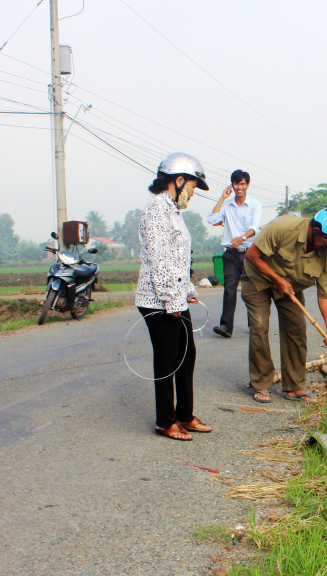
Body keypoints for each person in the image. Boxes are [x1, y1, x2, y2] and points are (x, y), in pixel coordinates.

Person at [136, 152, 213, 441]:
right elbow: (159, 259)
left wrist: (188, 290)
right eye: (192, 188)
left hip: (174, 298)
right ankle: (165, 421)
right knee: (168, 359)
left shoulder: (172, 211)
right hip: (157, 300)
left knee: (186, 355)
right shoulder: (157, 209)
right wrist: (170, 299)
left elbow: (178, 259)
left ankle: (185, 415)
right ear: (179, 181)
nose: (191, 195)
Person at [242, 207, 327, 403]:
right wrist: (276, 278)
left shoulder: (326, 252)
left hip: (289, 287)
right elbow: (252, 255)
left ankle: (295, 386)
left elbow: (325, 294)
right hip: (258, 278)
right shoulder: (284, 227)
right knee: (260, 326)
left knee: (297, 329)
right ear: (316, 229)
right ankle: (262, 383)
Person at [207, 169, 262, 339]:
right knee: (229, 289)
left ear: (247, 185)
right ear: (232, 185)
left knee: (250, 290)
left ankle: (253, 324)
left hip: (249, 253)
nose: (239, 187)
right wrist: (222, 197)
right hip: (231, 254)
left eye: (242, 184)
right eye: (236, 183)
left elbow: (254, 227)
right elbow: (212, 219)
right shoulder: (226, 205)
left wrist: (242, 238)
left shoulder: (255, 205)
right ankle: (226, 326)